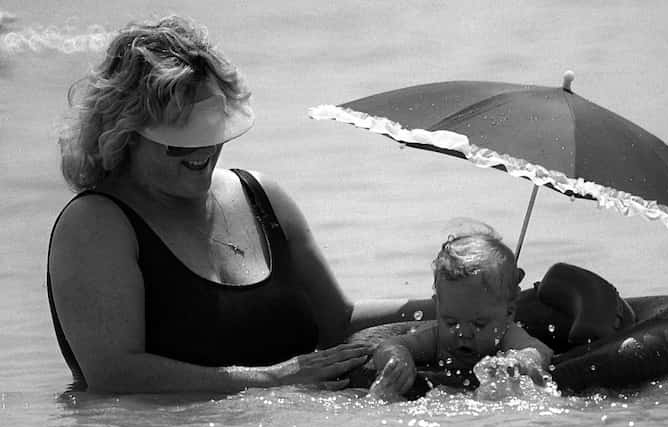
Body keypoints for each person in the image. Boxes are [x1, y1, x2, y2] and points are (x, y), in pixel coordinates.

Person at [47, 15, 431, 394]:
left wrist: (450, 306)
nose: (202, 150)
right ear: (125, 134)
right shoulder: (95, 224)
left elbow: (338, 322)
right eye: (179, 137)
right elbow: (114, 375)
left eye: (210, 128)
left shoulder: (263, 196)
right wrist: (270, 379)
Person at [369, 226, 553, 399]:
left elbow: (538, 350)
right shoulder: (435, 338)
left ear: (509, 313)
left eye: (479, 324)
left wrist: (521, 360)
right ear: (438, 308)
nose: (463, 333)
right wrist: (398, 357)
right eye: (450, 322)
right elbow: (390, 345)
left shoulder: (508, 335)